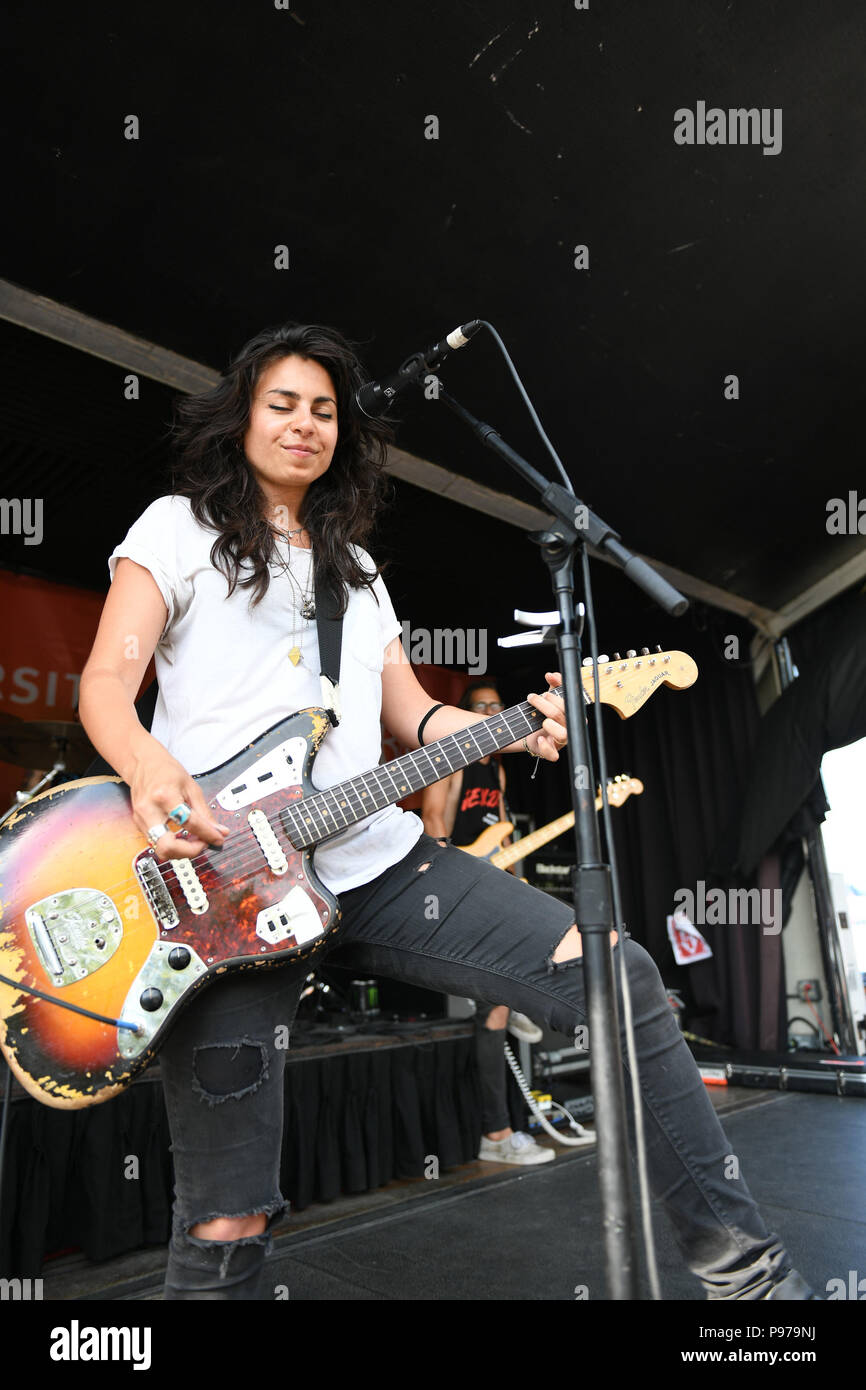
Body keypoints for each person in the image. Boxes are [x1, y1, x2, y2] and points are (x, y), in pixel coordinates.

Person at [78, 321, 815, 1301]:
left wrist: (506, 727)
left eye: (324, 411)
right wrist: (143, 764)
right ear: (242, 415)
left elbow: (411, 715)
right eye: (282, 403)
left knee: (615, 973)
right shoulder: (175, 528)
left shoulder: (359, 572)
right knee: (226, 1215)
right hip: (224, 888)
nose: (304, 425)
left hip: (376, 864)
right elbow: (102, 685)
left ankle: (746, 1280)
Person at [421, 681, 591, 1165]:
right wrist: (453, 882)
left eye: (499, 705)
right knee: (492, 1012)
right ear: (465, 713)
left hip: (491, 881)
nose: (493, 712)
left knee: (518, 978)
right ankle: (496, 1135)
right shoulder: (447, 753)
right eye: (482, 707)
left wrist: (513, 882)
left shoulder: (495, 767)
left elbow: (499, 829)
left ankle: (501, 1126)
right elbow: (434, 823)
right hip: (458, 883)